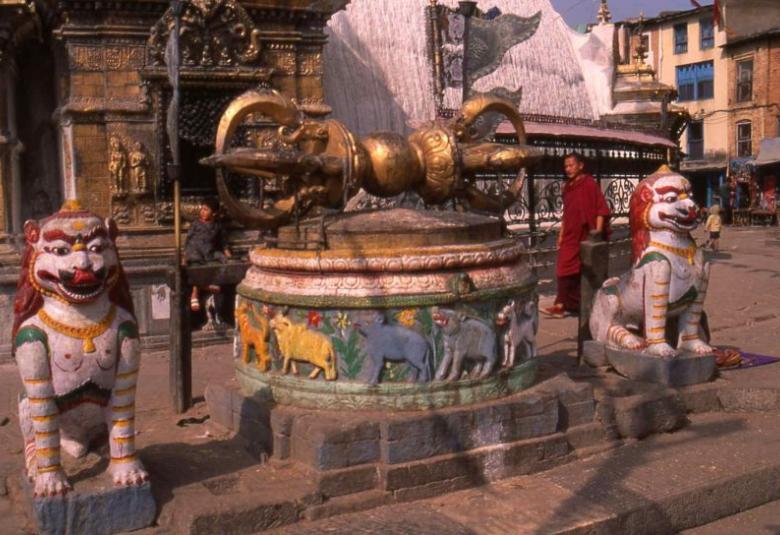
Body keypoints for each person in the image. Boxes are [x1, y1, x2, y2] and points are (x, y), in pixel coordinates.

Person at [542, 153, 610, 319]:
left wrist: (597, 233)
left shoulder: (589, 183)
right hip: (571, 234)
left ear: (581, 165)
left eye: (571, 165)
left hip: (588, 233)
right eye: (566, 166)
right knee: (563, 268)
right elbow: (567, 213)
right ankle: (564, 304)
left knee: (585, 271)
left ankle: (567, 304)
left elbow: (601, 208)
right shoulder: (568, 187)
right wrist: (561, 234)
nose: (568, 169)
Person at [184, 198, 232, 312]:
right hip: (195, 251)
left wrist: (229, 257)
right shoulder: (196, 224)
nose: (202, 212)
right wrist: (184, 257)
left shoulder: (218, 226)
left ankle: (210, 284)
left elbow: (224, 244)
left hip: (210, 251)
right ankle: (196, 291)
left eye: (206, 210)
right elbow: (187, 241)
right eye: (202, 209)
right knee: (195, 265)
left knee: (223, 259)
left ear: (214, 213)